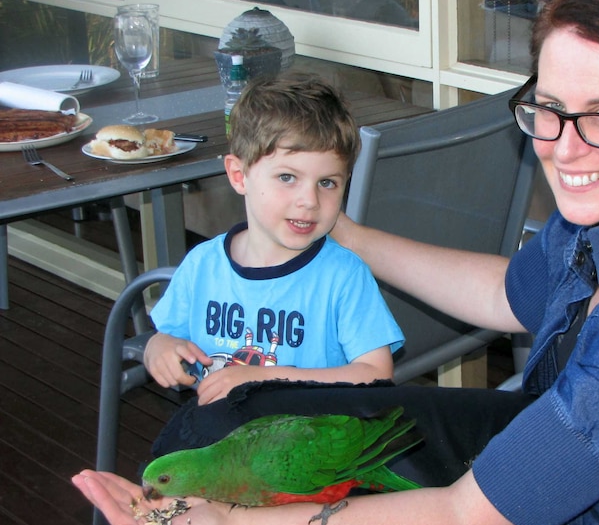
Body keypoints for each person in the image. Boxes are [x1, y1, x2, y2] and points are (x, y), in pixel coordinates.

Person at [73, 0, 599, 525]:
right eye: (547, 109)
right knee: (236, 415)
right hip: (546, 433)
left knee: (233, 500)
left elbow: (463, 520)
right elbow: (504, 295)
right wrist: (344, 233)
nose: (564, 147)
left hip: (587, 517)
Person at [141, 75, 404, 406]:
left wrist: (265, 377)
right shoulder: (202, 264)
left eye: (327, 183)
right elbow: (167, 336)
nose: (309, 200)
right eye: (287, 177)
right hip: (221, 437)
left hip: (314, 439)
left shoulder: (344, 275)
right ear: (240, 176)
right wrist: (158, 348)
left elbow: (377, 375)